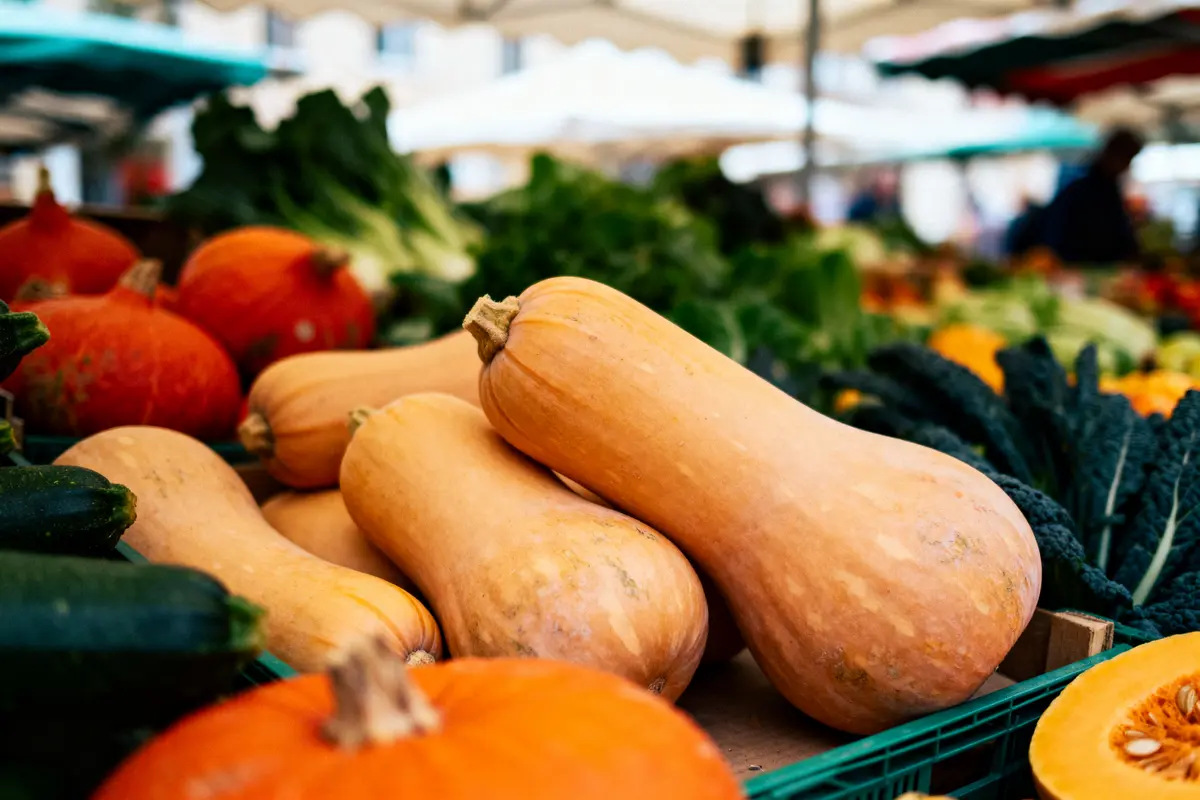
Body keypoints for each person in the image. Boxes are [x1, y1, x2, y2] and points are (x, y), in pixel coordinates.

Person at [1042, 128, 1144, 265]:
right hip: (1083, 267)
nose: (1127, 167)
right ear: (1112, 154)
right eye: (1127, 159)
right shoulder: (1083, 187)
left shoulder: (1109, 187)